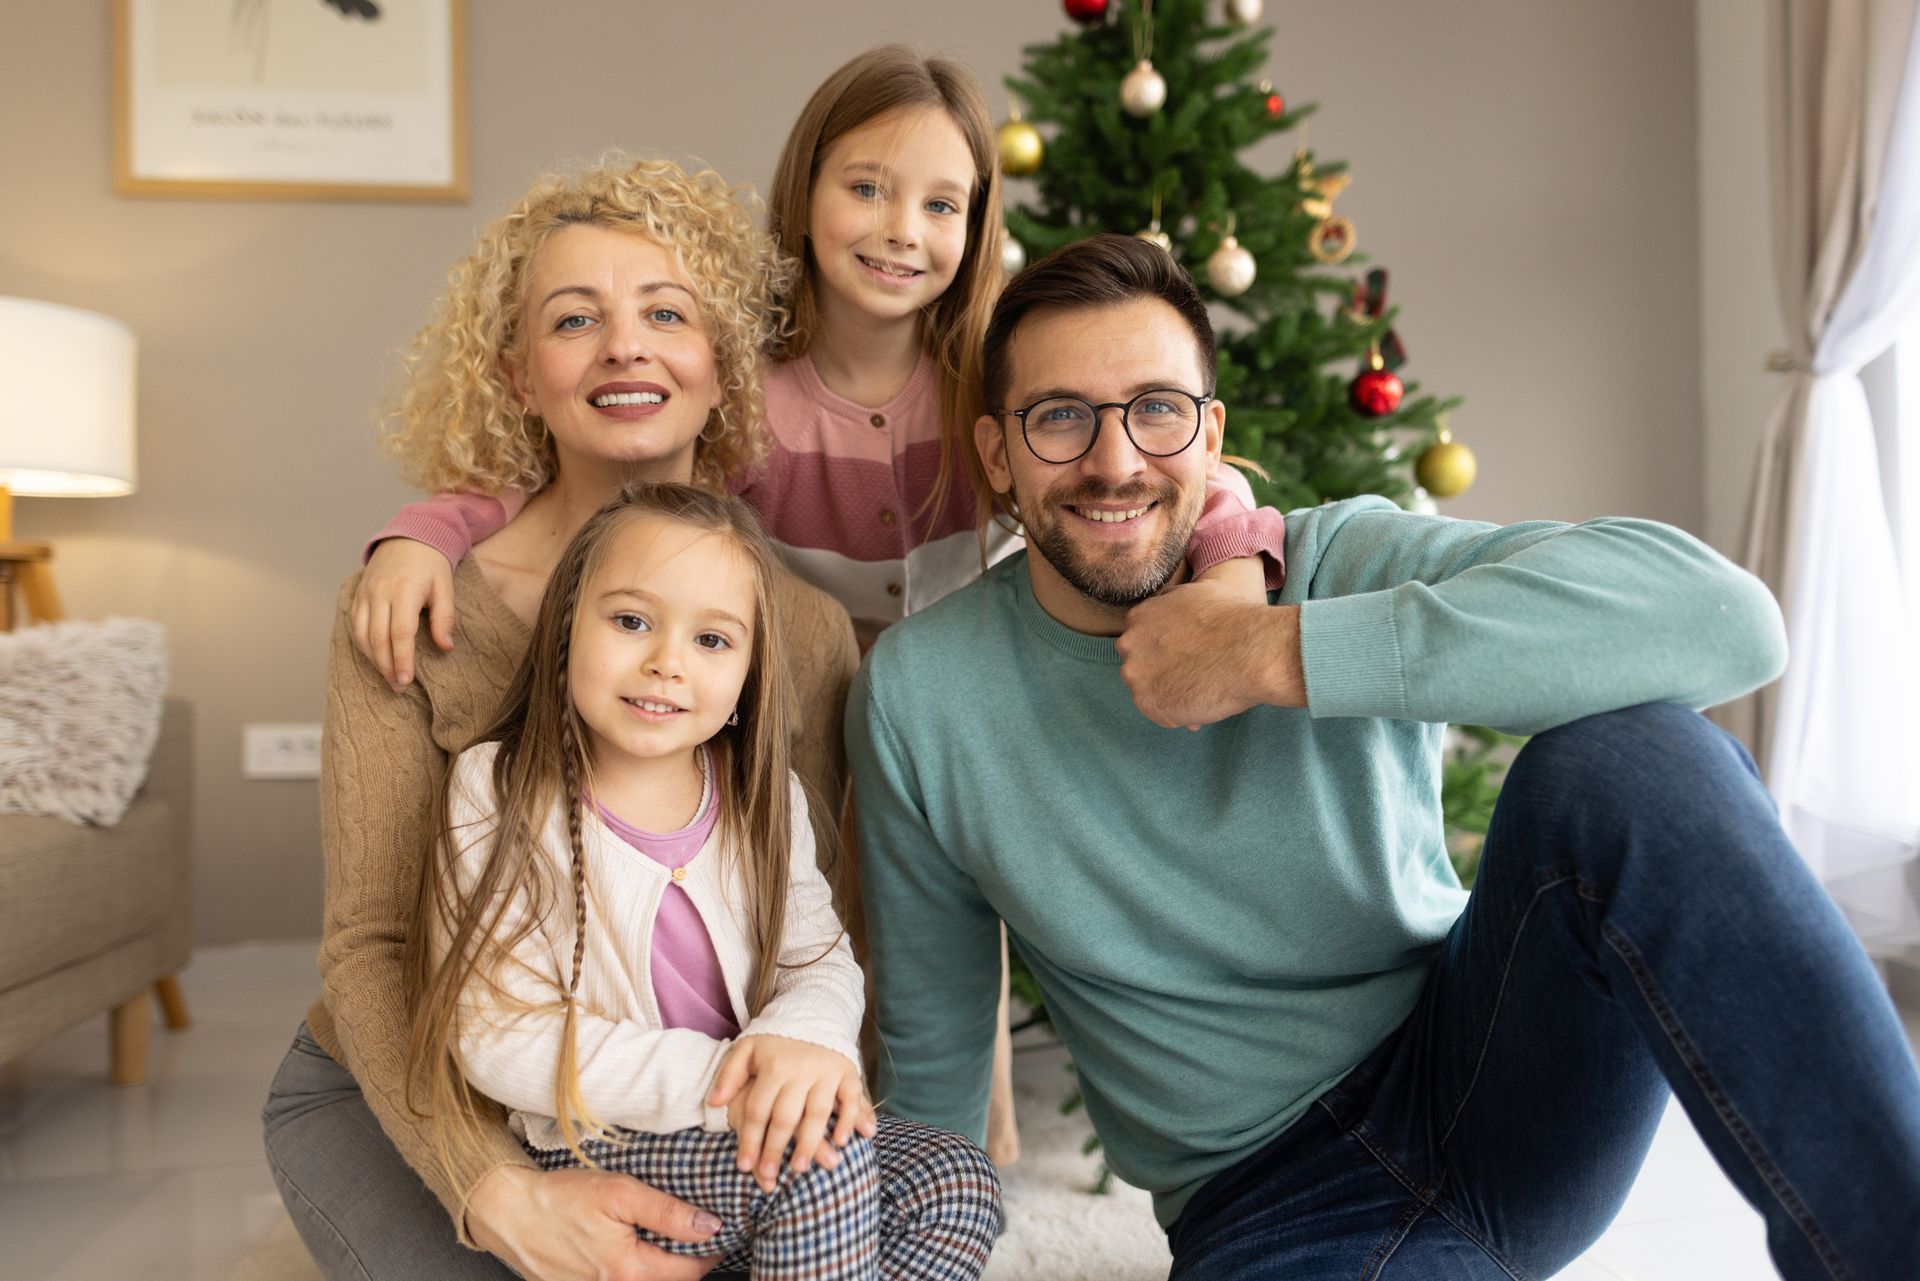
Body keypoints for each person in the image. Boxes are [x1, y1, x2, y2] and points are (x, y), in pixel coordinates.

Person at [847, 233, 1920, 1280]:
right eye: (1061, 418)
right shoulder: (921, 696)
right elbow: (934, 1063)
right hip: (1265, 1201)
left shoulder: (1333, 560)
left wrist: (1278, 651)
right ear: (997, 453)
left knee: (1635, 756)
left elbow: (1728, 623)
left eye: (1158, 411)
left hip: (1489, 1067)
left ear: (1210, 435)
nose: (1116, 458)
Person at [344, 44, 1287, 1166]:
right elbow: (557, 473)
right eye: (867, 188)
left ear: (976, 223)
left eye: (941, 202)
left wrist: (1233, 576)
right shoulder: (752, 393)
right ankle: (773, 1105)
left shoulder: (986, 383)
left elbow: (1168, 462)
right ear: (806, 194)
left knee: (944, 896)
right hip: (791, 673)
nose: (901, 228)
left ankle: (954, 1141)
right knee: (809, 905)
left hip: (947, 686)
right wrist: (418, 533)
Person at [261, 157, 867, 1280]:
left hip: (674, 1103)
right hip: (407, 1092)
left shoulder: (804, 632)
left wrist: (808, 1087)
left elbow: (812, 922)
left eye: (667, 313)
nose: (625, 346)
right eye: (574, 319)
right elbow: (376, 948)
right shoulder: (411, 603)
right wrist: (489, 1190)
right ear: (518, 377)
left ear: (723, 367)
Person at [410, 481, 1000, 1280]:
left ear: (748, 674)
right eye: (630, 621)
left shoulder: (762, 795)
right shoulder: (501, 786)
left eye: (713, 640)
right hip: (599, 1138)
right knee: (814, 1160)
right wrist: (740, 1083)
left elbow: (819, 962)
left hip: (744, 1128)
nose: (666, 662)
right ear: (564, 629)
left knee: (956, 1178)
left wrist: (808, 1046)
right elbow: (496, 1036)